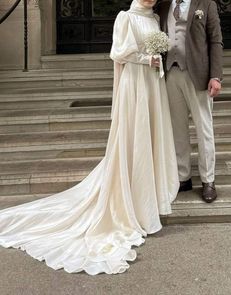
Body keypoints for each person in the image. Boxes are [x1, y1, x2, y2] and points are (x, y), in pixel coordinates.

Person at [0, 0, 179, 275]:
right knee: (134, 134)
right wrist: (148, 58)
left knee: (151, 133)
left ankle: (148, 193)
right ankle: (131, 201)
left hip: (152, 83)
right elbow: (118, 52)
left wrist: (156, 58)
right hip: (135, 83)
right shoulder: (125, 17)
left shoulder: (154, 19)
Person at [156, 0, 223, 203]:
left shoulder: (207, 4)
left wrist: (216, 75)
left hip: (199, 75)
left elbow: (215, 40)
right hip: (171, 73)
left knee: (204, 129)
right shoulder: (164, 5)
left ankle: (208, 180)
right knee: (177, 129)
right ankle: (183, 177)